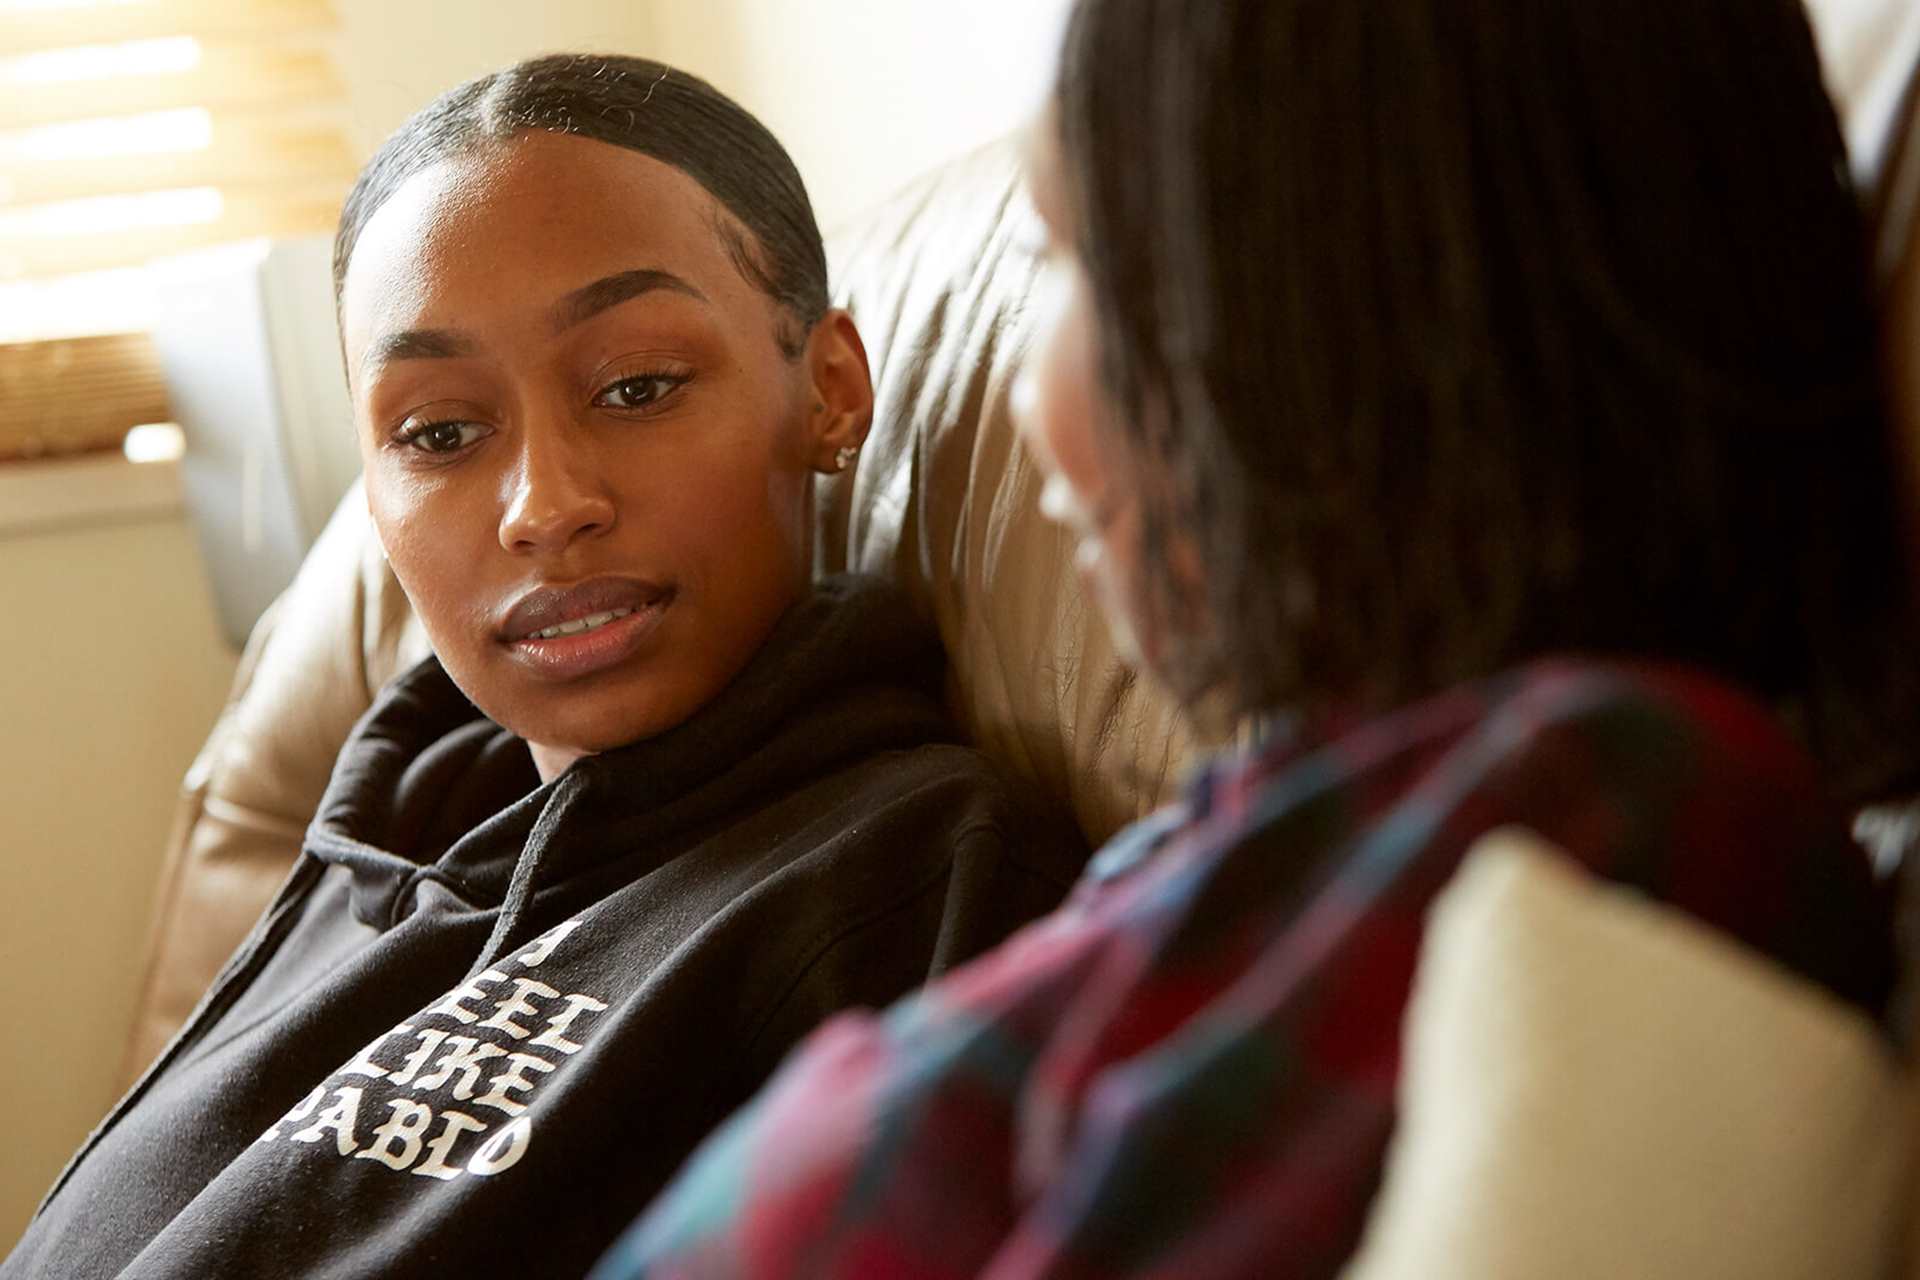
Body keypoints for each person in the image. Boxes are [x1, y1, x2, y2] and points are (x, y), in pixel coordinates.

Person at [594, 0, 1915, 1276]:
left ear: (1329, 315)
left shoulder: (1603, 804)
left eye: (1067, 257)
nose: (1014, 386)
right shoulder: (1292, 829)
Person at [1, 55, 1085, 1279]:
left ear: (830, 389)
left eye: (635, 386)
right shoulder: (381, 833)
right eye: (442, 433)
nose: (543, 507)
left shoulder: (917, 880)